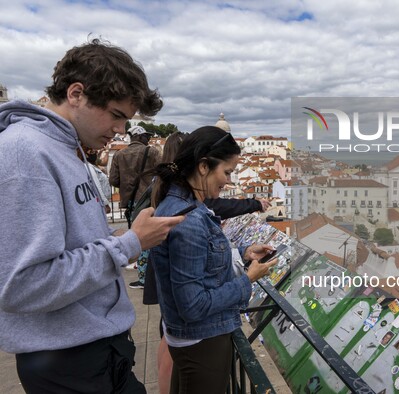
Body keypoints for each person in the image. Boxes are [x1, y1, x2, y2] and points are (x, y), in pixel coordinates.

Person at [0, 38, 185, 393]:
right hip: (67, 359)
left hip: (92, 346)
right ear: (76, 94)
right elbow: (23, 285)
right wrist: (130, 243)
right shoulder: (24, 153)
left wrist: (116, 241)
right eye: (117, 115)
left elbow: (66, 249)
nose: (121, 130)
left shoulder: (67, 149)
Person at [150, 126, 277, 393]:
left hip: (191, 340)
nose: (229, 181)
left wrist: (243, 253)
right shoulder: (189, 219)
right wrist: (248, 280)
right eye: (227, 172)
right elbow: (193, 306)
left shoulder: (181, 204)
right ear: (204, 166)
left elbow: (197, 261)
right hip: (201, 341)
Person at [110, 124, 161, 288]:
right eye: (146, 136)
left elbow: (113, 180)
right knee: (154, 236)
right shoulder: (152, 152)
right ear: (138, 137)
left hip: (131, 202)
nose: (148, 139)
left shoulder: (119, 155)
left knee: (137, 237)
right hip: (149, 201)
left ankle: (143, 276)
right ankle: (151, 278)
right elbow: (163, 172)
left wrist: (127, 184)